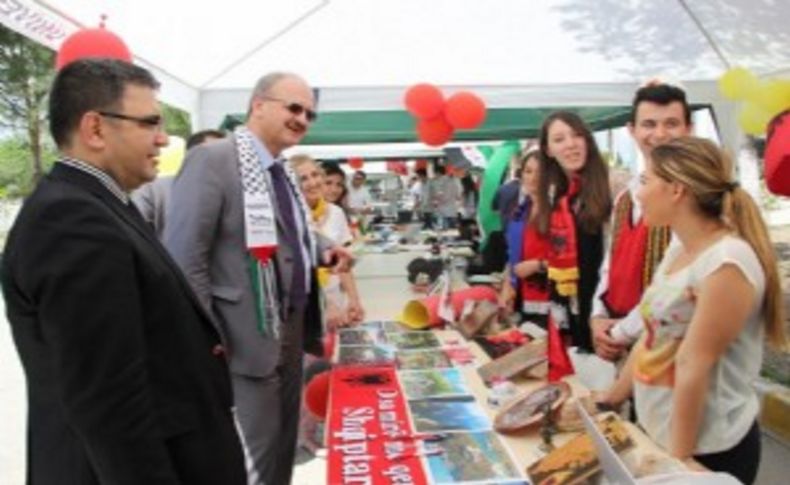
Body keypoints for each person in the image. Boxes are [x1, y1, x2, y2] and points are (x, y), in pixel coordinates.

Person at [0, 59, 246, 485]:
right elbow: (108, 403)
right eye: (150, 122)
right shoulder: (72, 222)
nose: (164, 138)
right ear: (95, 129)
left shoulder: (97, 204)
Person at [164, 71, 350, 485]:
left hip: (292, 330)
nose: (303, 119)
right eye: (294, 107)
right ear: (258, 105)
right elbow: (184, 258)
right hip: (243, 339)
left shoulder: (279, 169)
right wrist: (208, 340)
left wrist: (323, 249)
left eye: (310, 113)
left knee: (282, 449)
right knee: (253, 459)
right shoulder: (214, 160)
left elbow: (285, 232)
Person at [597, 137, 787, 484]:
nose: (638, 194)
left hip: (707, 448)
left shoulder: (727, 261)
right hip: (661, 434)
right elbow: (654, 335)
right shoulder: (680, 249)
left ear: (676, 190)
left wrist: (679, 460)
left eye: (646, 181)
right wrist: (612, 398)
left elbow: (693, 362)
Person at [591, 83, 693, 361]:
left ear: (688, 129)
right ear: (632, 130)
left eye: (671, 123)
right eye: (649, 124)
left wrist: (620, 333)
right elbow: (609, 267)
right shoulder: (625, 197)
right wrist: (597, 317)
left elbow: (675, 286)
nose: (659, 134)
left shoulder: (694, 197)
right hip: (621, 335)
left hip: (668, 345)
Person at [535, 111, 612, 352]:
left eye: (576, 135)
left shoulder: (614, 187)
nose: (570, 144)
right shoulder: (556, 196)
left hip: (608, 310)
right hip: (571, 304)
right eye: (559, 139)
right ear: (548, 150)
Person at [291, 154, 365, 327]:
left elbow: (343, 264)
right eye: (303, 178)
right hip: (303, 303)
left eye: (315, 175)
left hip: (334, 297)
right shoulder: (290, 217)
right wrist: (325, 304)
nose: (313, 183)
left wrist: (354, 301)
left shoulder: (336, 213)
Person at [132, 128, 224, 238]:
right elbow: (132, 229)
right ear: (190, 157)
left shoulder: (237, 195)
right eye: (216, 155)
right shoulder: (154, 190)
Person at [498, 149, 551, 327]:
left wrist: (537, 265)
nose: (533, 177)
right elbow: (512, 254)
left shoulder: (558, 212)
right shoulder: (521, 211)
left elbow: (572, 259)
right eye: (528, 171)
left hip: (549, 300)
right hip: (521, 297)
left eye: (540, 172)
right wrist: (507, 285)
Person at [427, 163, 461, 229]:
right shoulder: (454, 180)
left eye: (435, 173)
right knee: (453, 231)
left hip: (443, 211)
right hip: (452, 210)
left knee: (445, 232)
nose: (435, 175)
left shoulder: (440, 182)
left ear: (438, 173)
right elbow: (458, 196)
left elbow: (439, 195)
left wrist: (434, 199)